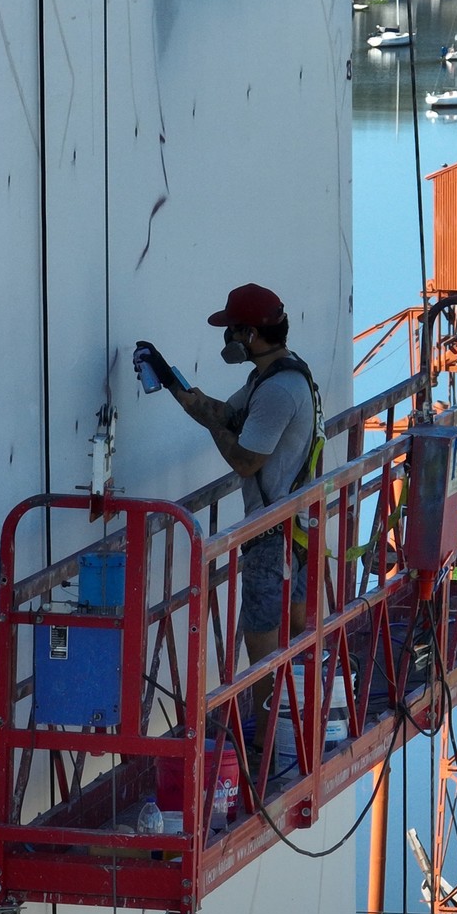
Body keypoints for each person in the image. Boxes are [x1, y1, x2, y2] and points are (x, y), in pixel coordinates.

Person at [136, 283, 323, 771]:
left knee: (264, 640)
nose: (229, 340)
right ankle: (300, 731)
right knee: (296, 636)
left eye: (234, 330)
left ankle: (267, 749)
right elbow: (225, 414)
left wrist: (222, 432)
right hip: (297, 526)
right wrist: (175, 384)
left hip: (273, 533)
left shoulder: (278, 390)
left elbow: (243, 458)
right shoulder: (276, 374)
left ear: (253, 333)